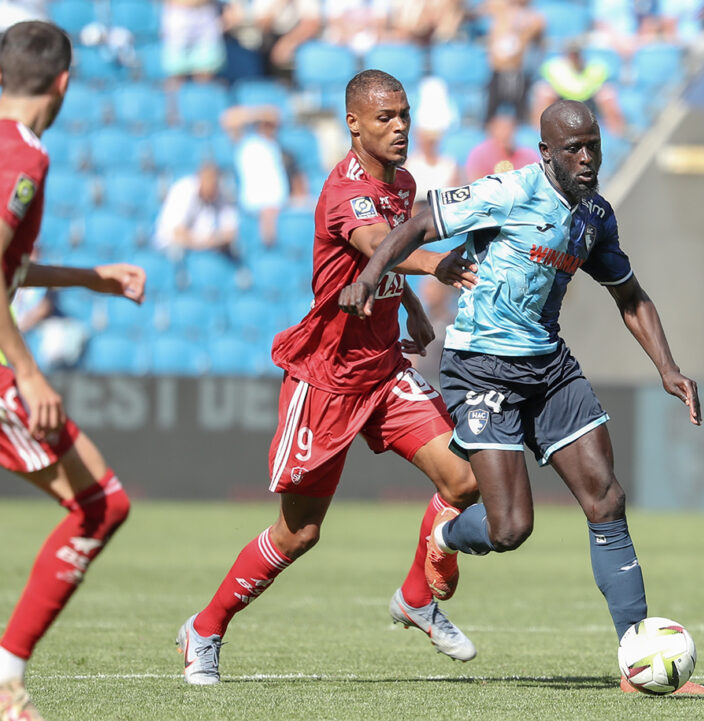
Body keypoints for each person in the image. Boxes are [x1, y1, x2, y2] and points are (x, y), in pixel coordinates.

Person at [338, 99, 704, 696]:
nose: (587, 158)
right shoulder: (507, 192)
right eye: (574, 149)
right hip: (482, 367)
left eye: (593, 145)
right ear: (546, 153)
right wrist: (367, 275)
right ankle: (444, 536)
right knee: (511, 528)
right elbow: (420, 223)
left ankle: (639, 663)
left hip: (549, 367)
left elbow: (630, 295)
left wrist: (668, 367)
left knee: (606, 500)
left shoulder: (594, 216)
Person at [176, 69, 482, 686]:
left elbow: (381, 263)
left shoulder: (405, 181)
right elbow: (378, 244)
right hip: (327, 381)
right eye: (384, 118)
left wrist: (413, 309)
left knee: (465, 478)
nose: (399, 128)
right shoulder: (344, 191)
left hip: (384, 372)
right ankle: (205, 628)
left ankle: (418, 596)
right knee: (299, 533)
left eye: (403, 115)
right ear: (353, 124)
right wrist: (436, 266)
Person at [0, 21, 148, 720]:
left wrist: (88, 278)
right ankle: (3, 682)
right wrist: (28, 371)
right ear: (63, 83)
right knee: (100, 503)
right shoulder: (23, 158)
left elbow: (9, 265)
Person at [220, 104, 289, 246]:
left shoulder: (274, 144)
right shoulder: (245, 143)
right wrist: (257, 115)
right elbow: (227, 119)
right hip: (254, 207)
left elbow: (277, 115)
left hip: (278, 206)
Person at [533, 40, 625, 137]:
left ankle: (617, 136)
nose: (574, 57)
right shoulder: (554, 68)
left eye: (576, 54)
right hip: (562, 103)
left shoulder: (595, 68)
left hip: (590, 103)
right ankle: (540, 136)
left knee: (607, 94)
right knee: (544, 92)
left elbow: (587, 89)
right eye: (571, 54)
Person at [152, 162, 239, 258]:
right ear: (200, 179)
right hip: (170, 248)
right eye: (209, 180)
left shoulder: (219, 193)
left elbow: (231, 232)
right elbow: (176, 233)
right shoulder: (183, 190)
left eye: (214, 182)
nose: (212, 186)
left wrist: (210, 241)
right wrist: (207, 242)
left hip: (204, 250)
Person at [464, 111, 538, 181]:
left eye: (509, 128)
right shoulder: (480, 154)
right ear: (492, 130)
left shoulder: (527, 155)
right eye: (502, 129)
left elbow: (537, 179)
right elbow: (475, 184)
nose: (506, 133)